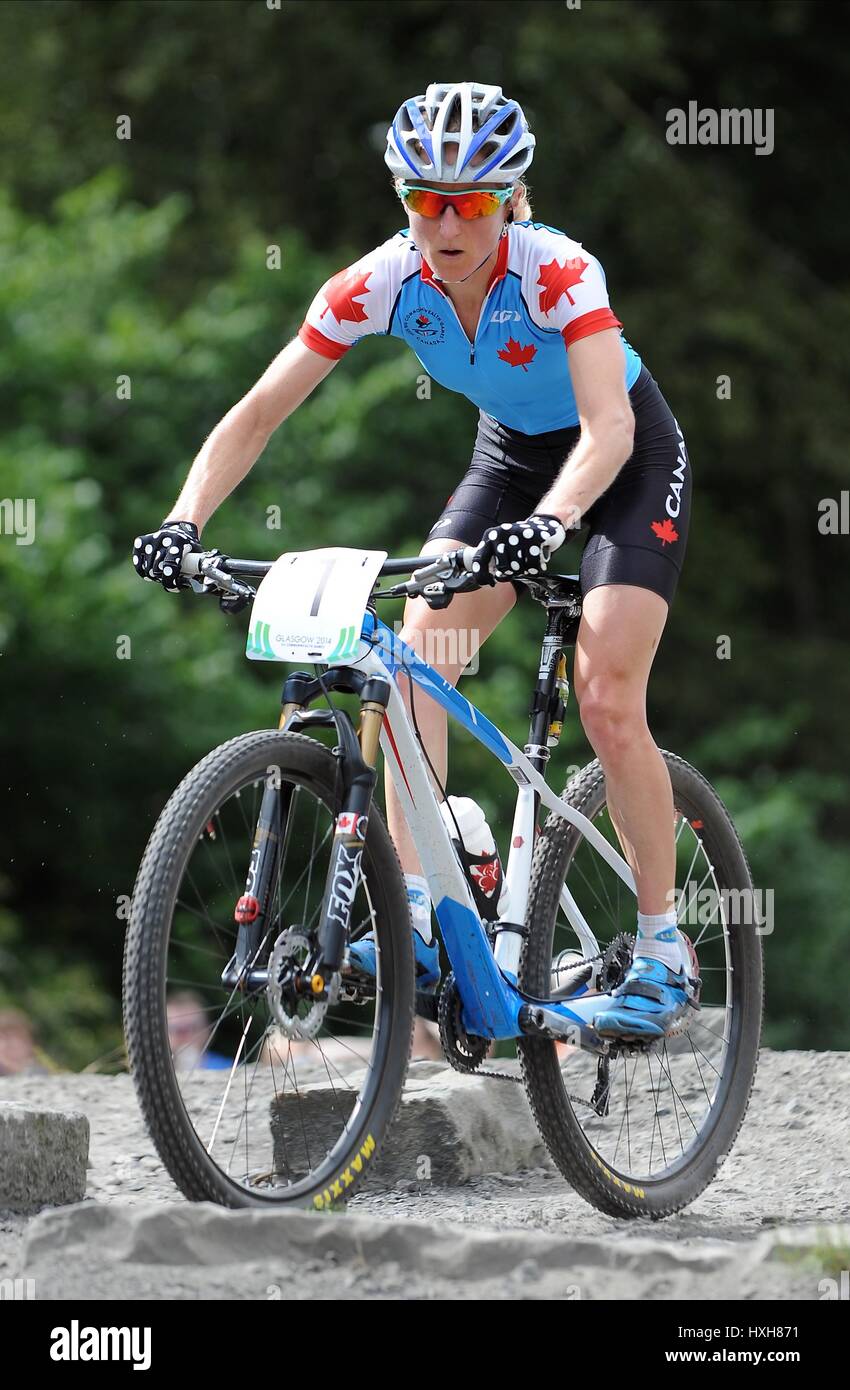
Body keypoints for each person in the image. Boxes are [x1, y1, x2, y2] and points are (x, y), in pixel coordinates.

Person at [133, 81, 695, 1041]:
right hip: (511, 462)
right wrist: (182, 520)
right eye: (426, 199)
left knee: (606, 695)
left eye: (472, 202)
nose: (447, 222)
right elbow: (260, 413)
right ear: (404, 201)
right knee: (411, 664)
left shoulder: (560, 271)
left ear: (511, 200)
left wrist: (556, 523)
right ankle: (440, 915)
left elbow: (605, 429)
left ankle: (663, 947)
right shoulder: (378, 282)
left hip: (624, 462)